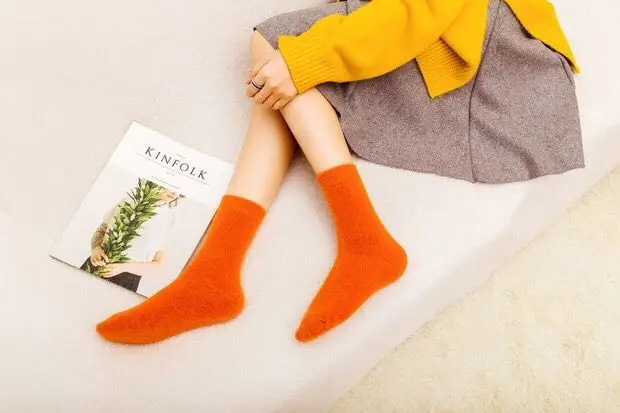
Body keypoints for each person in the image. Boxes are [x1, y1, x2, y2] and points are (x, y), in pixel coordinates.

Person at [96, 0, 582, 344]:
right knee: (281, 69)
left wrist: (308, 59)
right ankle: (217, 274)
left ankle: (353, 240)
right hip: (423, 20)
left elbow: (420, 11)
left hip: (492, 57)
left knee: (280, 50)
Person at [82, 187, 182, 293]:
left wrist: (123, 268)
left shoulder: (169, 218)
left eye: (179, 189)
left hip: (126, 280)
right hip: (98, 263)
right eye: (172, 186)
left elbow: (157, 262)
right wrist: (96, 248)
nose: (174, 192)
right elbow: (102, 229)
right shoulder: (128, 201)